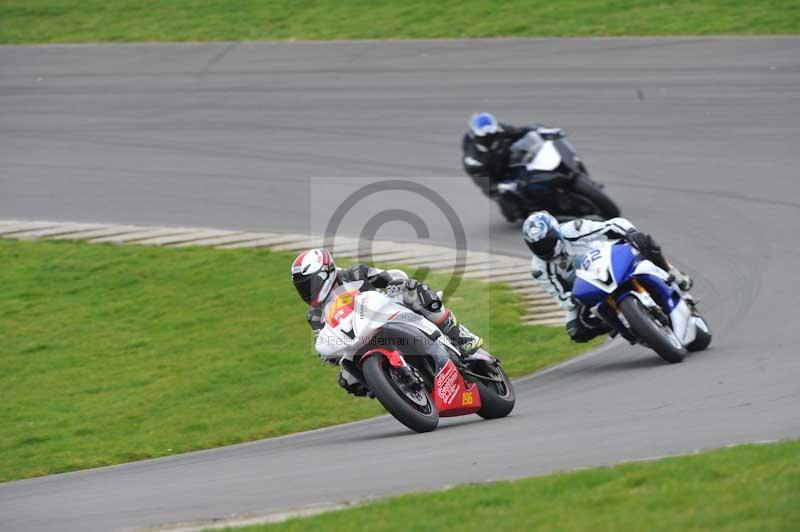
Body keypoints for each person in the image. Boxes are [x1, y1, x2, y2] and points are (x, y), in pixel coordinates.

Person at [291, 248, 483, 395]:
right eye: (303, 288)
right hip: (359, 339)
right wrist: (330, 356)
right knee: (347, 380)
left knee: (415, 292)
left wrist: (397, 285)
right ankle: (393, 388)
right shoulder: (315, 315)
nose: (308, 291)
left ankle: (460, 336)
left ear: (326, 272)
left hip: (388, 311)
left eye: (310, 284)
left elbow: (388, 278)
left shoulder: (354, 274)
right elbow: (326, 339)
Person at [521, 211, 693, 343]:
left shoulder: (573, 229)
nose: (543, 248)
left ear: (556, 231)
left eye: (546, 241)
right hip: (585, 290)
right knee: (576, 331)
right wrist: (576, 300)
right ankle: (621, 324)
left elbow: (612, 225)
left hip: (608, 262)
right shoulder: (540, 269)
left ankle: (673, 273)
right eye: (537, 246)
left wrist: (630, 232)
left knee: (644, 242)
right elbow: (561, 296)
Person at [461, 112, 543, 221]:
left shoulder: (500, 129)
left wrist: (537, 129)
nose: (489, 137)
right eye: (485, 136)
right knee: (513, 213)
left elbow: (518, 132)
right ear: (476, 135)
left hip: (510, 164)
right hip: (496, 180)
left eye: (492, 133)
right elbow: (484, 182)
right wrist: (499, 186)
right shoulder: (472, 159)